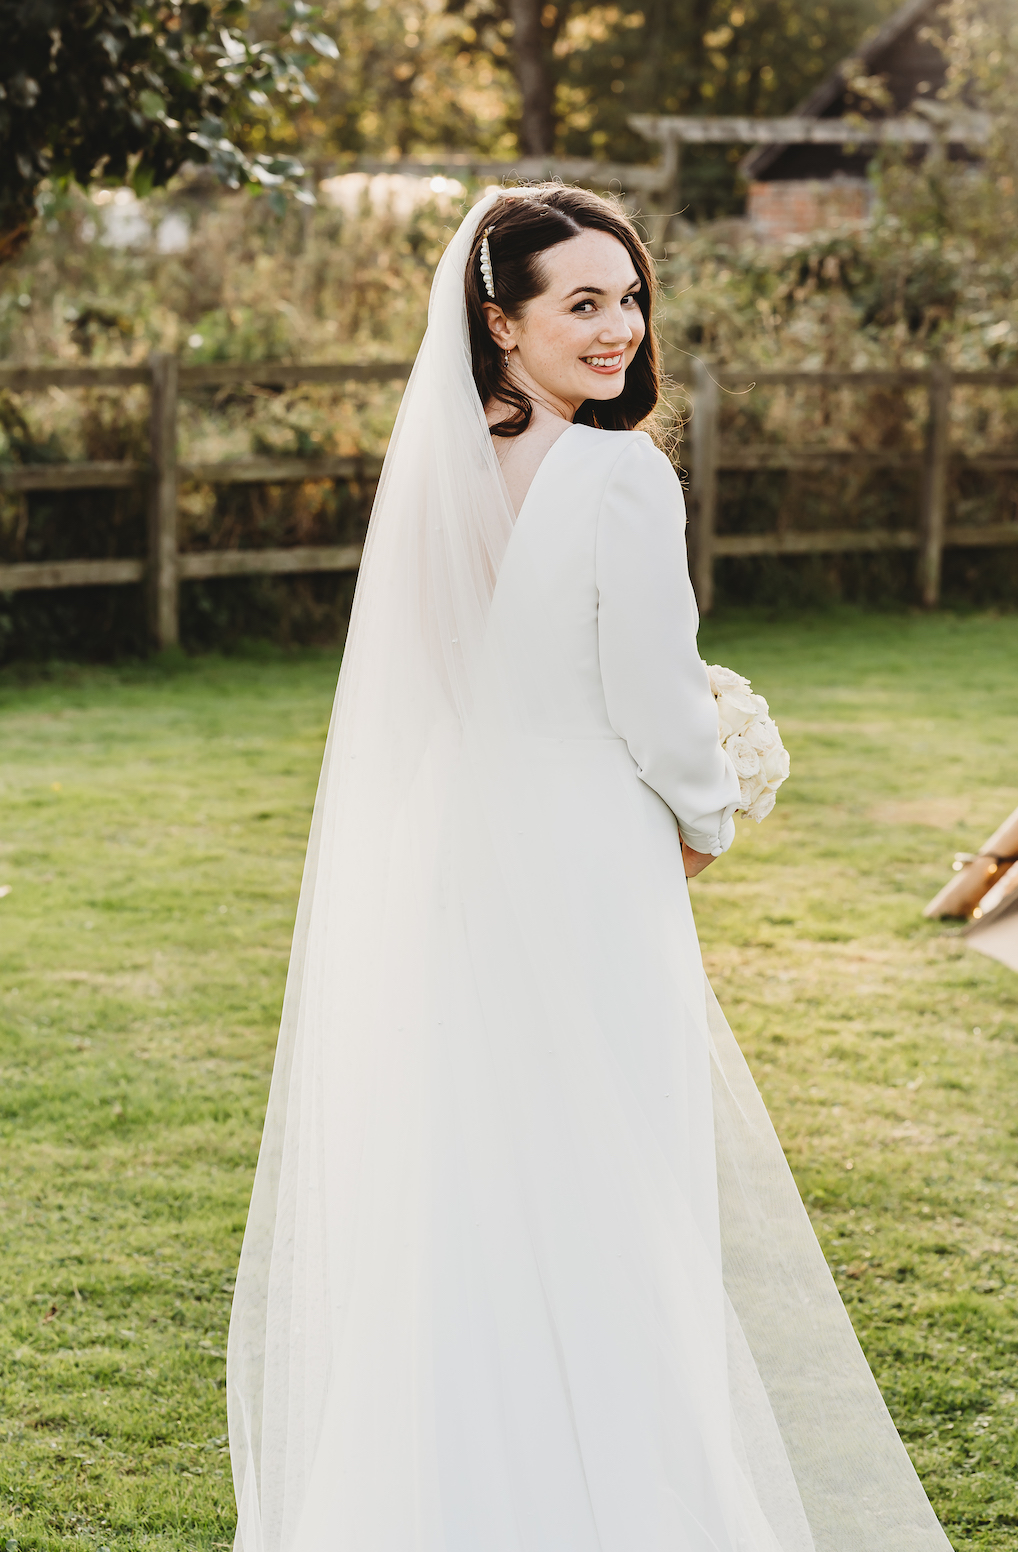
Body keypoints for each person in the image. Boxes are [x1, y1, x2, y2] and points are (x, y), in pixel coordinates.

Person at [226, 187, 953, 1552]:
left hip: (462, 872)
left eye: (630, 300)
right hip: (587, 874)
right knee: (617, 1189)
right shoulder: (618, 474)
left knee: (474, 1189)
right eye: (582, 303)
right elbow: (656, 702)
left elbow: (445, 693)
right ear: (499, 323)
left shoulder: (443, 478)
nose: (619, 330)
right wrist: (712, 804)